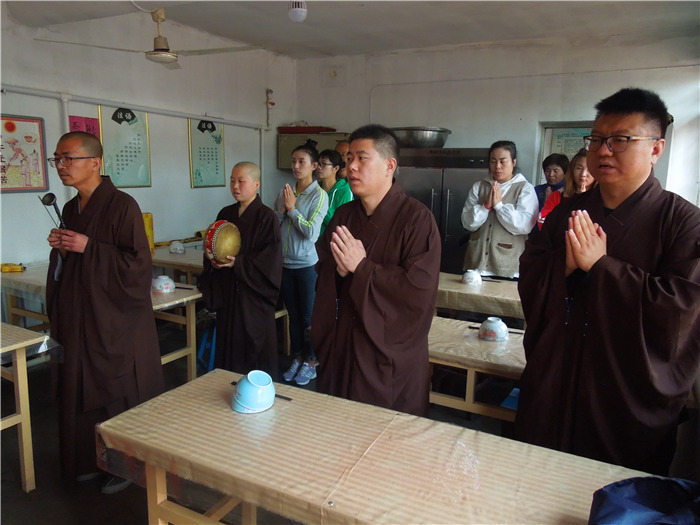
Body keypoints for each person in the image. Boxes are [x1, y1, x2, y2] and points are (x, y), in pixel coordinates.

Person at [515, 88, 700, 475]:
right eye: (597, 139)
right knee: (534, 480)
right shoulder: (569, 210)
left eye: (621, 140)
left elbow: (683, 310)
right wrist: (563, 269)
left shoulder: (683, 222)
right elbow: (531, 269)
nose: (603, 151)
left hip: (625, 391)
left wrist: (602, 267)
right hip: (556, 376)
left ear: (656, 148)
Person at [45, 131, 164, 493]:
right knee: (77, 386)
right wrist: (65, 250)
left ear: (95, 163)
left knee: (113, 387)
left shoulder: (123, 205)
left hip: (114, 321)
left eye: (69, 158)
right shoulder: (69, 208)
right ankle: (84, 458)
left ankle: (122, 464)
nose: (62, 166)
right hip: (80, 315)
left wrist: (88, 247)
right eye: (57, 159)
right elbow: (76, 263)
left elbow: (139, 266)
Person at [311, 124, 441, 417]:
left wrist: (362, 268)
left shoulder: (417, 220)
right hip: (344, 343)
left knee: (386, 444)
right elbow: (325, 266)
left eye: (362, 158)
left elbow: (417, 293)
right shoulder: (344, 215)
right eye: (348, 159)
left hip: (387, 358)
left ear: (389, 166)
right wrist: (340, 271)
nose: (352, 166)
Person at [198, 162, 283, 379]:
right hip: (229, 294)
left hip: (253, 299)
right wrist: (213, 261)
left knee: (255, 348)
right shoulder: (226, 213)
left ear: (256, 184)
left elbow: (270, 260)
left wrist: (239, 263)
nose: (235, 186)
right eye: (232, 181)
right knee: (229, 348)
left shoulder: (267, 217)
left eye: (241, 181)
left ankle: (258, 392)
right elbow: (211, 244)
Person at [274, 140, 328, 386]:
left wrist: (292, 210)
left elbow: (311, 234)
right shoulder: (287, 190)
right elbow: (275, 223)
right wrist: (284, 211)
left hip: (307, 266)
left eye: (301, 162)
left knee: (308, 318)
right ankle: (297, 357)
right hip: (285, 264)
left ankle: (312, 362)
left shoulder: (319, 195)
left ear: (314, 166)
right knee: (293, 316)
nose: (295, 166)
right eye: (293, 161)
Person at [461, 140, 538, 278]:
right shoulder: (479, 186)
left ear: (513, 162)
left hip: (508, 268)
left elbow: (525, 226)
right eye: (493, 161)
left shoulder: (525, 188)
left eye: (503, 161)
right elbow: (467, 223)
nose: (497, 166)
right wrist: (485, 207)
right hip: (476, 267)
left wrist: (499, 207)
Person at [537, 148, 595, 229]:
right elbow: (543, 224)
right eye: (579, 168)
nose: (583, 174)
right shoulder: (557, 196)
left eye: (589, 169)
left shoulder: (602, 199)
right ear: (572, 170)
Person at [316, 148, 353, 234]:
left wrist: (319, 204)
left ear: (335, 168)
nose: (319, 167)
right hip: (311, 243)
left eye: (324, 164)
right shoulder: (315, 189)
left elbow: (339, 224)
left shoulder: (345, 192)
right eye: (318, 163)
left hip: (331, 243)